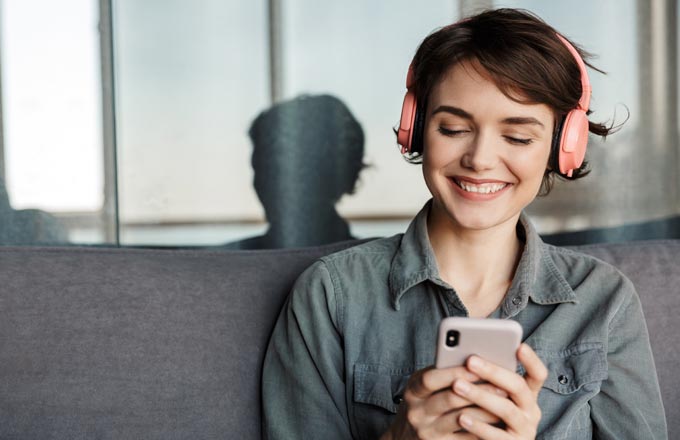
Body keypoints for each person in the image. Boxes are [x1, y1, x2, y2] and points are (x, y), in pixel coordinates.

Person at [261, 8, 667, 440]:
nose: (480, 159)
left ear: (562, 145)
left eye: (517, 137)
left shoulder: (604, 301)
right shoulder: (331, 295)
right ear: (415, 128)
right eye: (453, 128)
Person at [225, 94, 365, 249]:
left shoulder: (375, 264)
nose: (264, 185)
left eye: (288, 173)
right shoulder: (229, 261)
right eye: (260, 169)